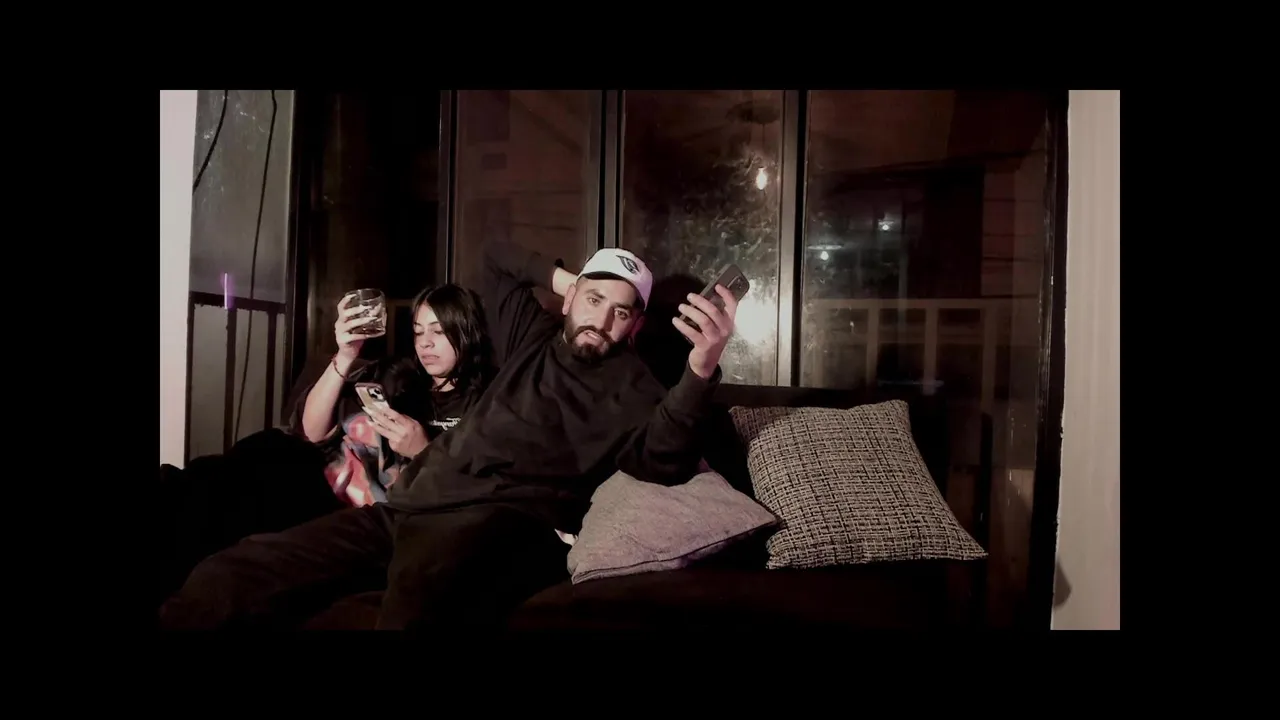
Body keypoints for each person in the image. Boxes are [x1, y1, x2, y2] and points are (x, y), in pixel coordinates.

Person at [159, 242, 739, 631]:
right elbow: (495, 257)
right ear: (571, 299)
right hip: (410, 505)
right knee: (237, 572)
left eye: (621, 312)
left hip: (500, 521)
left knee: (418, 600)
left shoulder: (637, 387)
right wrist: (574, 280)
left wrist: (701, 368)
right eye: (594, 301)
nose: (602, 320)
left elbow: (664, 459)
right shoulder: (532, 337)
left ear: (636, 323)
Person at [152, 283, 493, 612]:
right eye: (418, 332)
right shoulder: (398, 376)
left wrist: (422, 450)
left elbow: (475, 491)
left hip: (348, 511)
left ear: (466, 330)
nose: (425, 343)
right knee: (224, 472)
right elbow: (310, 431)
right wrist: (346, 355)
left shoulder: (486, 405)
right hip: (309, 469)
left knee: (224, 559)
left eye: (438, 331)